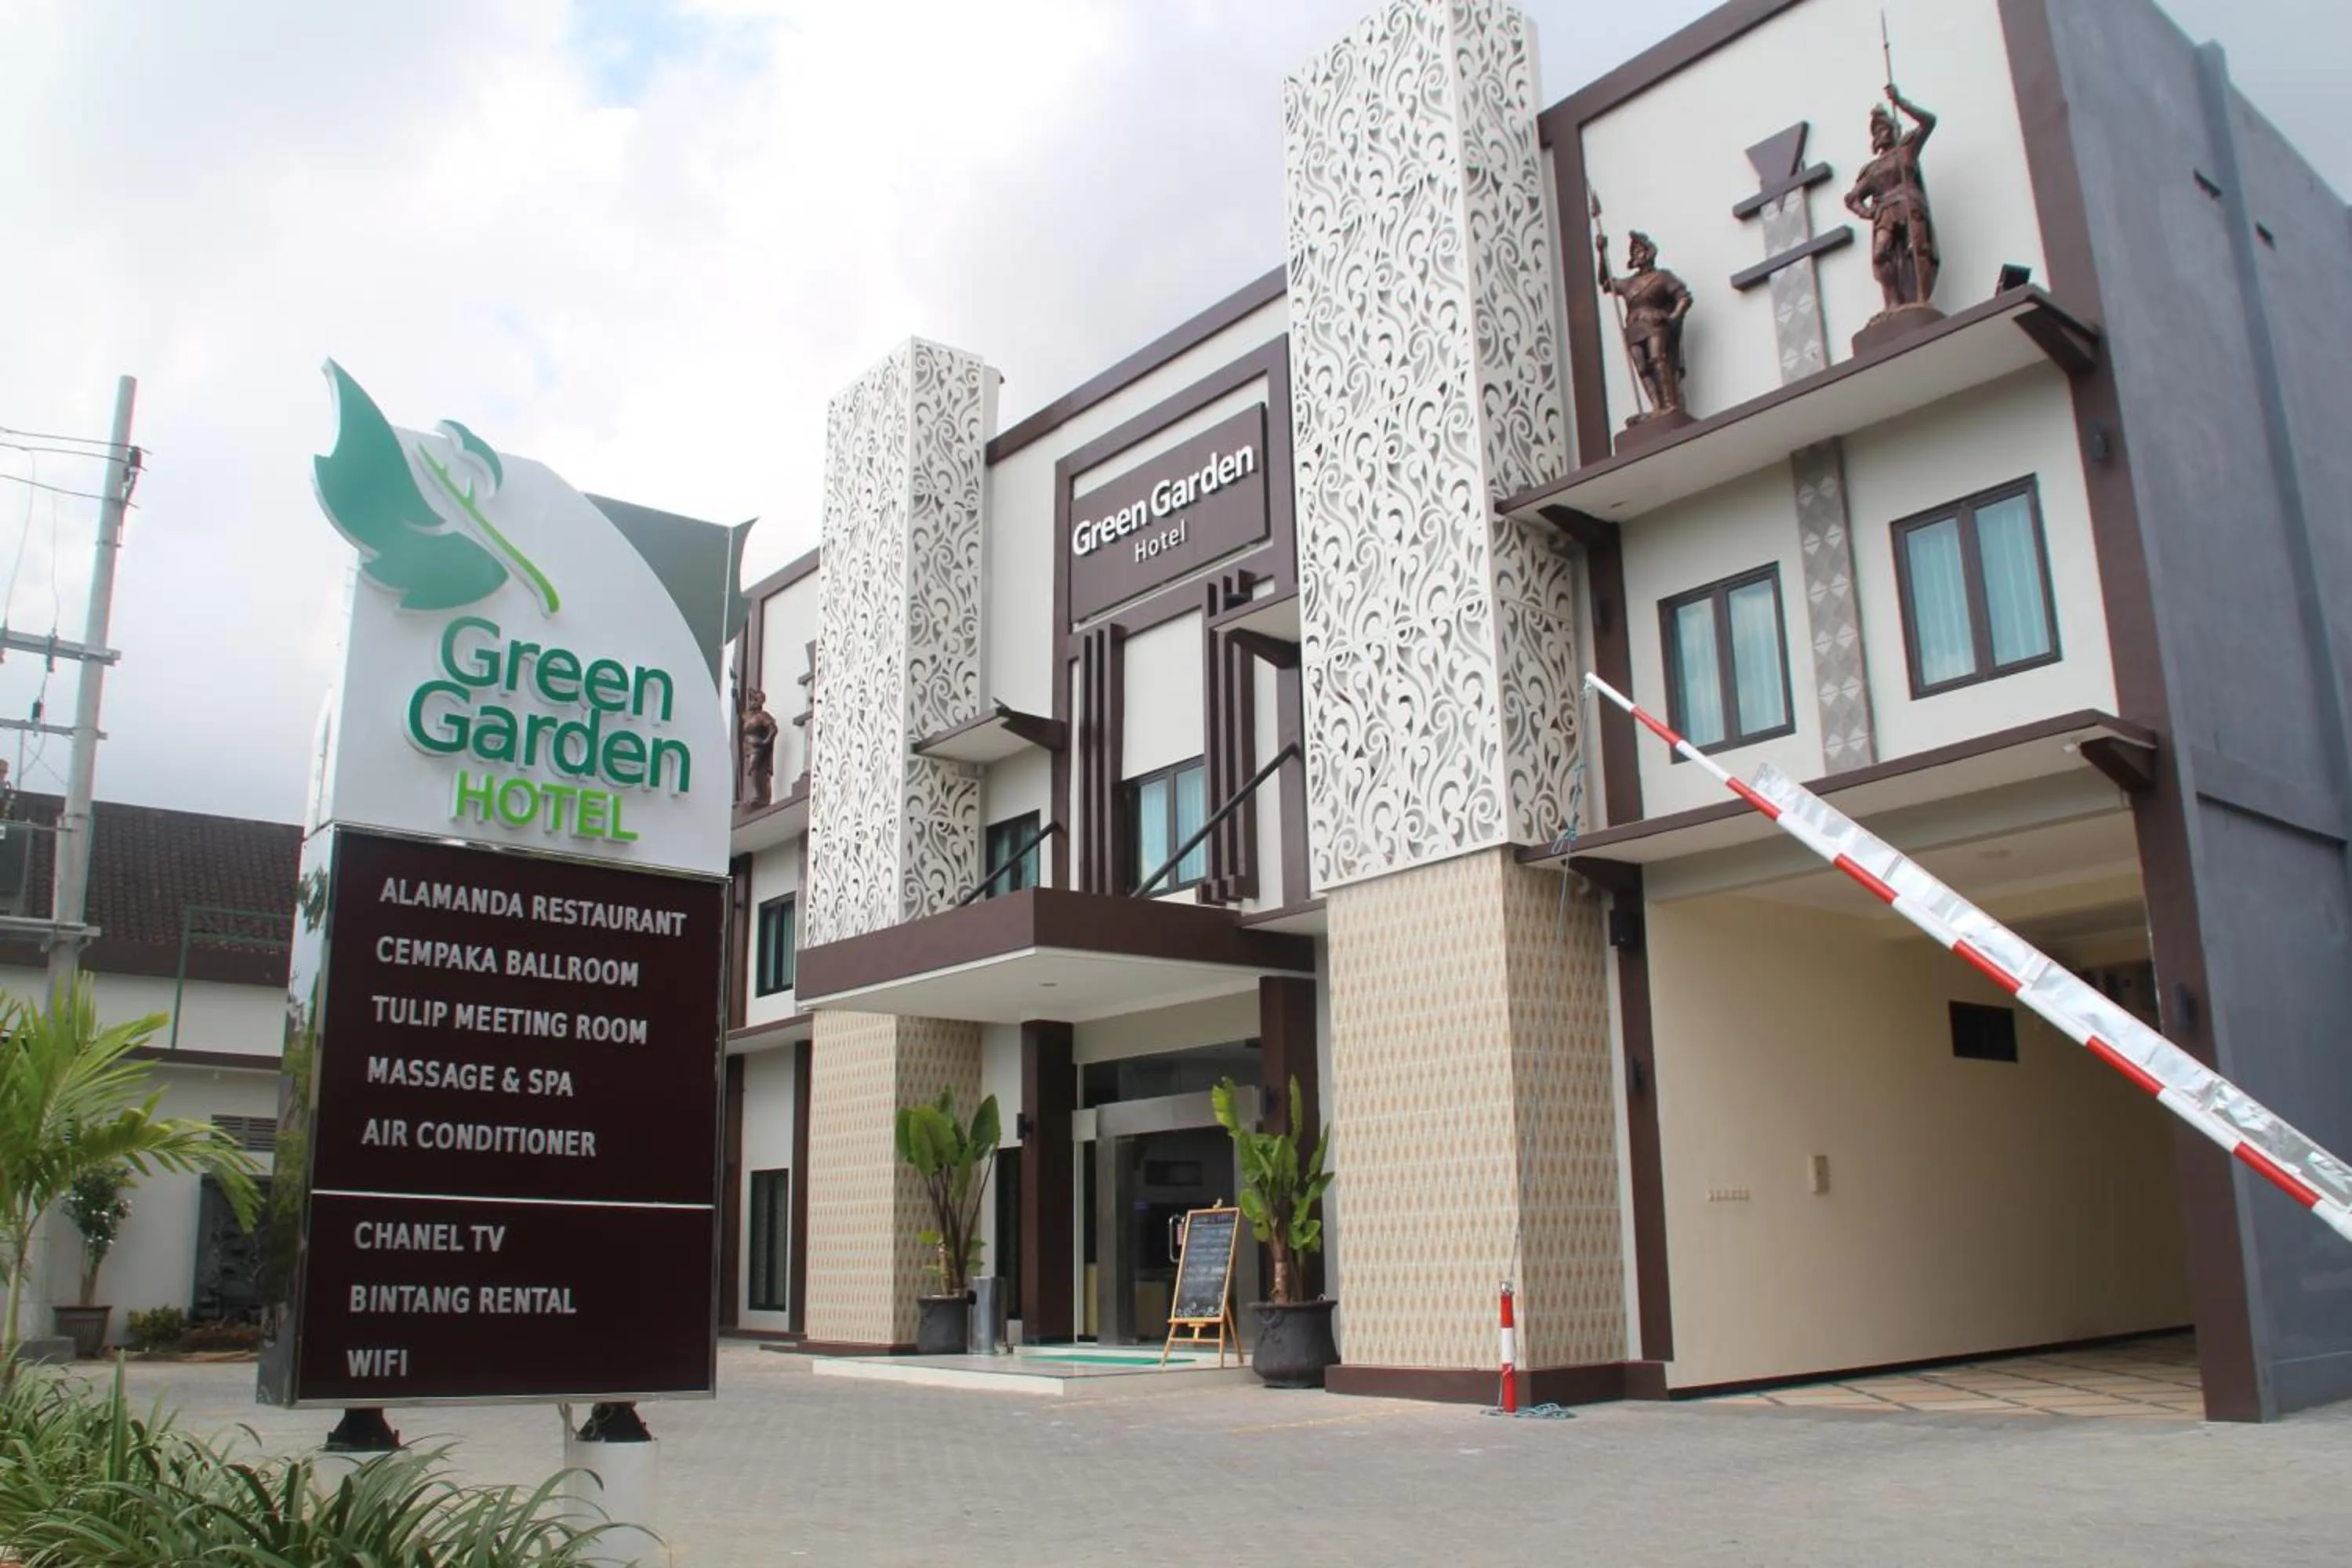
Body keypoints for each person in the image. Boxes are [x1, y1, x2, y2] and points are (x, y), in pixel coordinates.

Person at [1844, 85, 1940, 315]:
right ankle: (1894, 302)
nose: (1882, 132)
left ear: (1894, 129)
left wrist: (1901, 103)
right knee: (1881, 254)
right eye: (1878, 129)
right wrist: (1866, 213)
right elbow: (1852, 197)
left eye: (1885, 127)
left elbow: (1929, 122)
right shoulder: (1872, 169)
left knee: (1917, 249)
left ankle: (1920, 298)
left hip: (1910, 204)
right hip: (1885, 212)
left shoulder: (1907, 149)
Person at [1595, 230, 1695, 421]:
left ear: (1648, 252)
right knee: (1642, 367)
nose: (1636, 255)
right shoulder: (1629, 283)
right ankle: (1657, 407)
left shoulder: (1662, 277)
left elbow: (1683, 297)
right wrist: (1601, 253)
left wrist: (1674, 316)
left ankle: (1670, 403)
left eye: (1639, 250)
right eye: (1633, 252)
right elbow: (1606, 282)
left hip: (1655, 323)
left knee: (1658, 358)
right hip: (1634, 328)